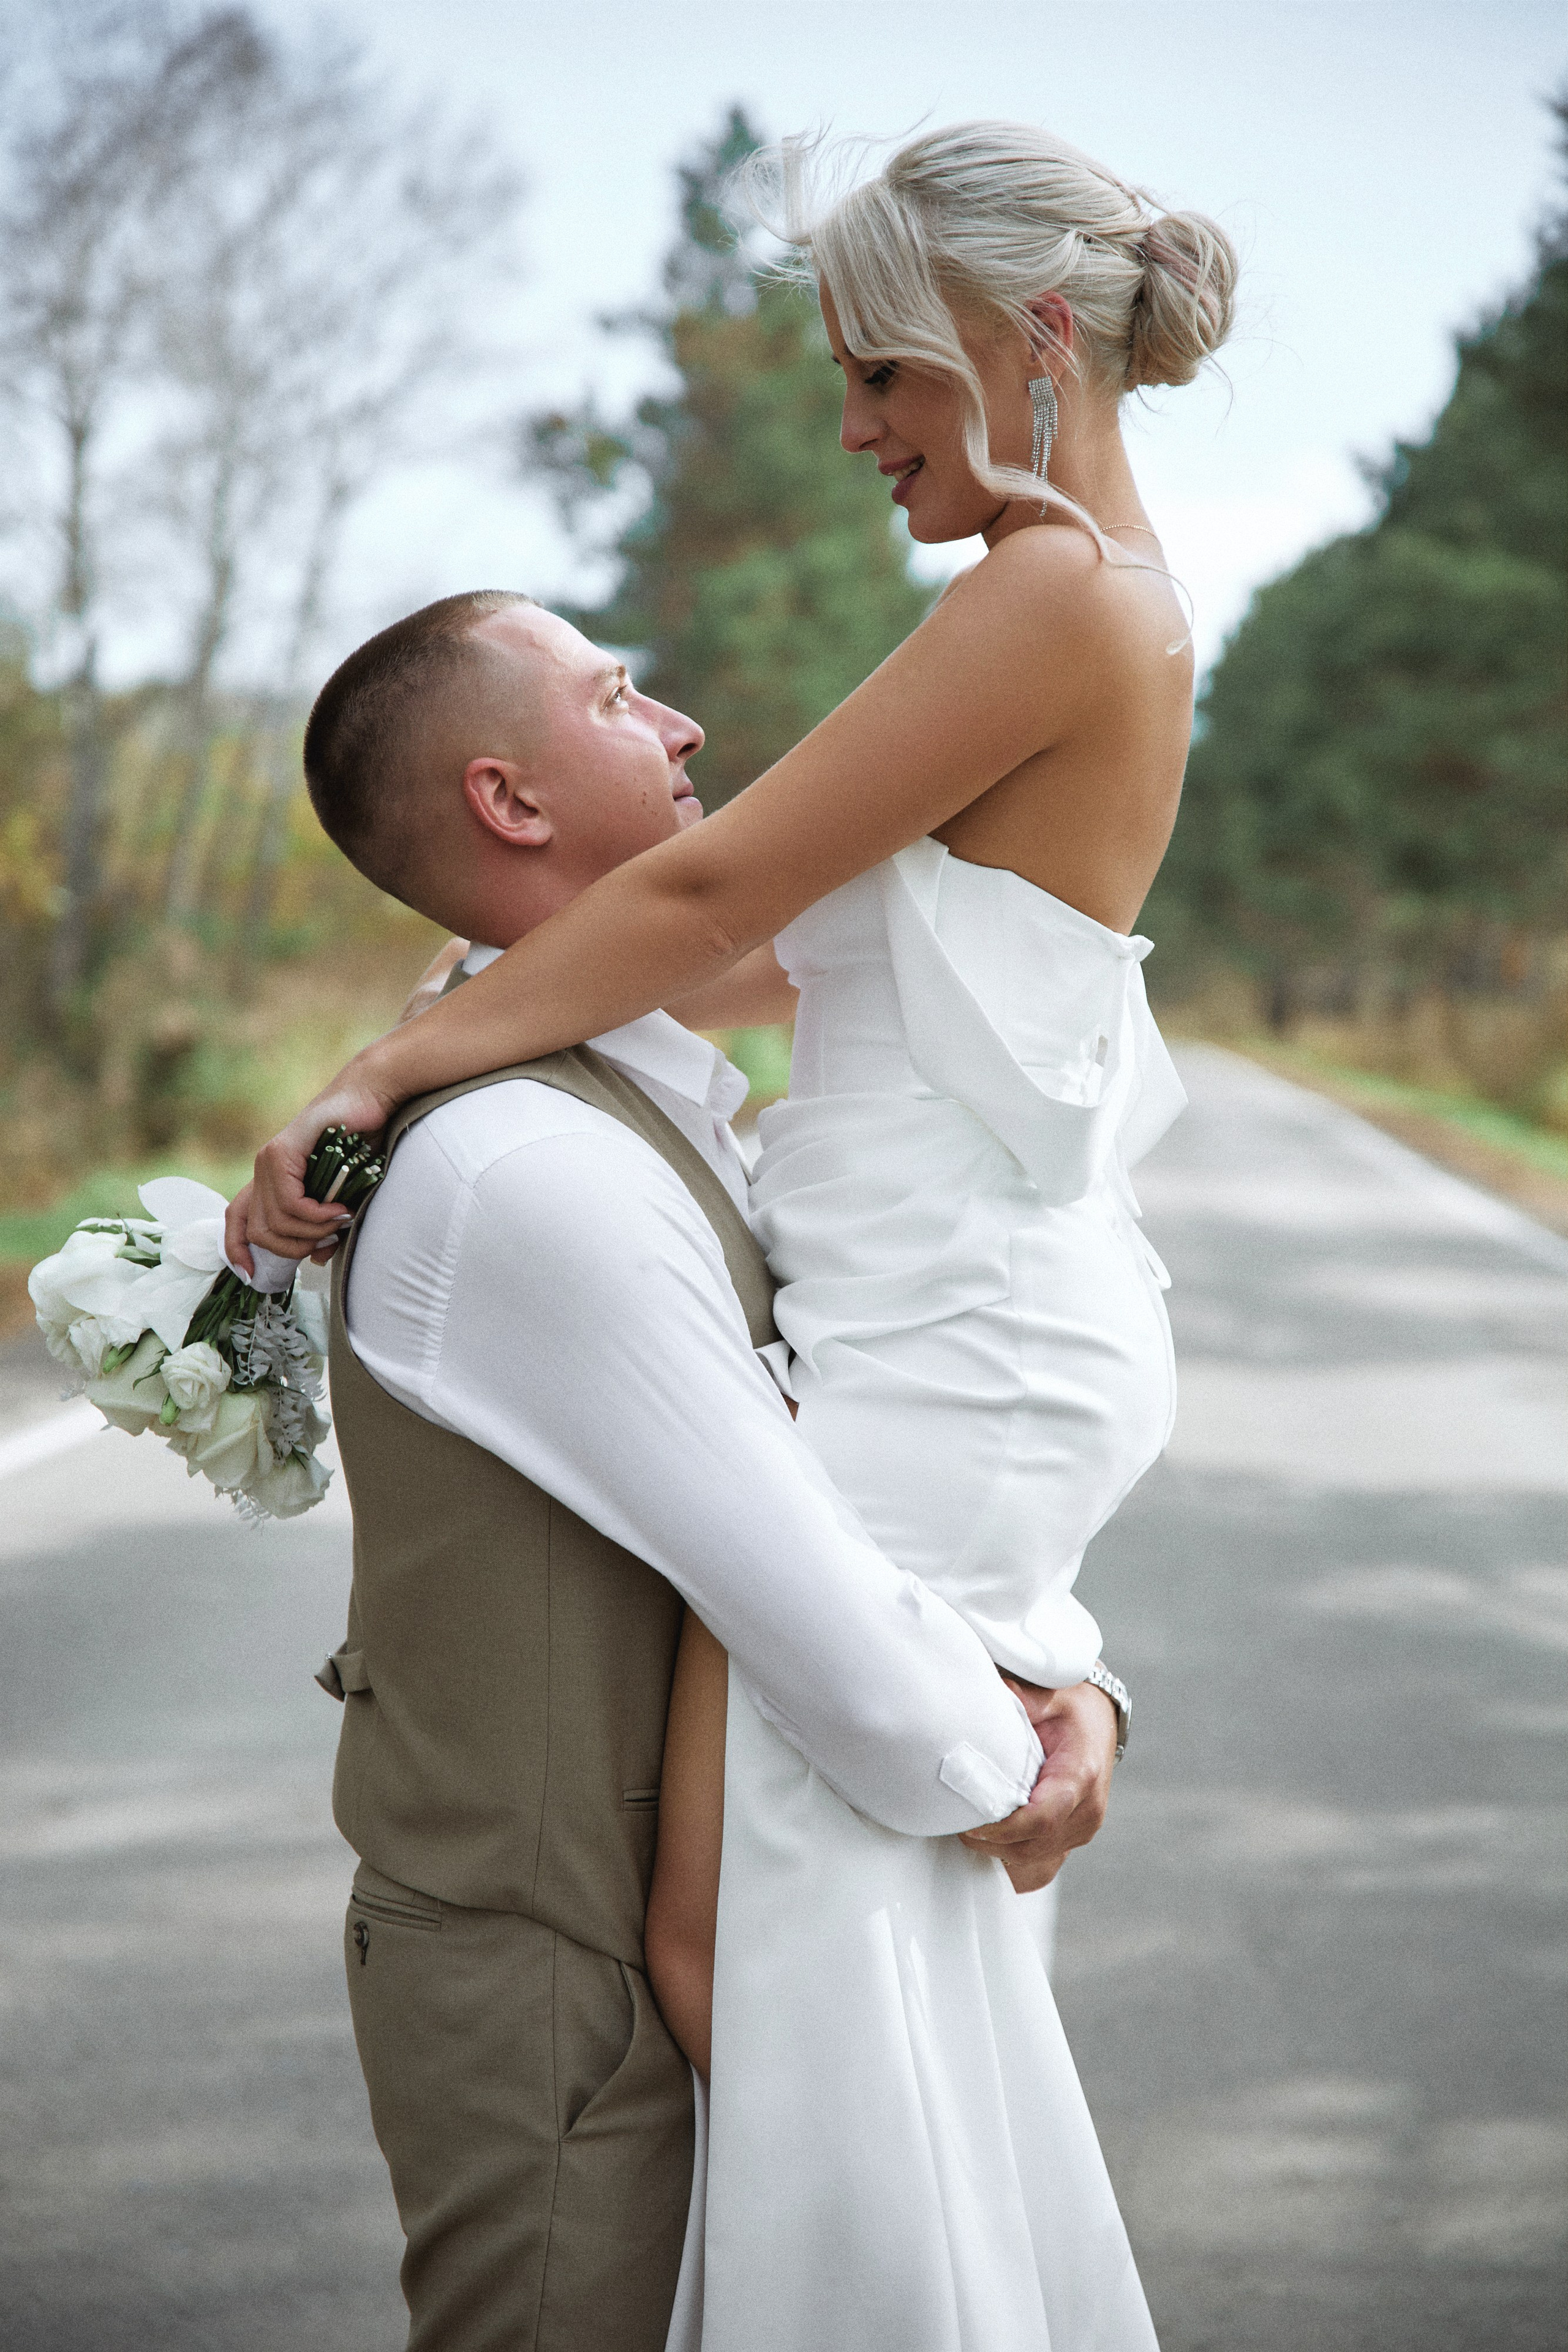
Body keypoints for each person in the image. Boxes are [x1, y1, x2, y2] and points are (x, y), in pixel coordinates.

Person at [238, 121, 1236, 2351]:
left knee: (751, 1945)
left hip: (960, 1324)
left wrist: (379, 1075)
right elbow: (720, 963)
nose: (864, 430)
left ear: (1032, 340)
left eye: (881, 372)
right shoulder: (1079, 602)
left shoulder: (1058, 597)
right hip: (951, 1317)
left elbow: (697, 903)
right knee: (810, 1945)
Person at [253, 587, 1125, 2351]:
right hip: (559, 1974)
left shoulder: (636, 1090)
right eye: (618, 695)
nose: (681, 731)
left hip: (727, 1929)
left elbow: (869, 1473)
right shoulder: (526, 1170)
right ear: (510, 800)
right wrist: (1010, 1769)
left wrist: (1071, 1671)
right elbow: (814, 1596)